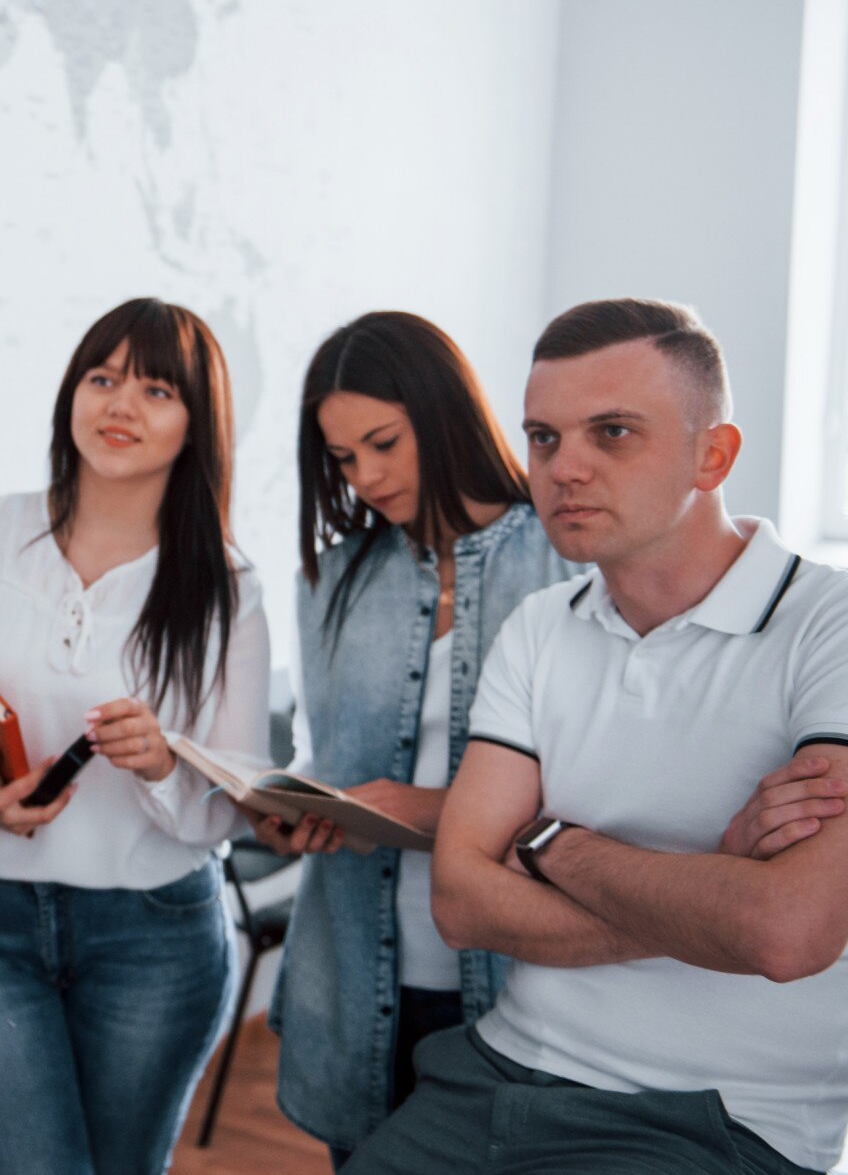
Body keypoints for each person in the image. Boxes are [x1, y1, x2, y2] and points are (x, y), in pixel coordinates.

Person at [347, 299, 848, 1175]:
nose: (563, 468)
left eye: (611, 432)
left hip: (720, 1120)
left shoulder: (828, 627)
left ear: (713, 455)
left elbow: (787, 932)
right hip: (498, 1068)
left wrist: (550, 844)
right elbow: (462, 901)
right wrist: (710, 891)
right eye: (543, 437)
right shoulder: (541, 627)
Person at [0, 298, 274, 1175]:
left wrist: (162, 763)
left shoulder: (228, 586)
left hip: (153, 935)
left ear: (197, 424)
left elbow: (240, 787)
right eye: (102, 378)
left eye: (155, 389)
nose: (120, 404)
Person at [260, 313, 576, 1169]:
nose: (365, 476)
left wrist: (434, 811)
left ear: (443, 413)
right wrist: (292, 810)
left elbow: (605, 796)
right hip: (355, 980)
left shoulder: (565, 566)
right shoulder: (329, 580)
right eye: (342, 457)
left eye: (383, 442)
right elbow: (322, 758)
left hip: (520, 990)